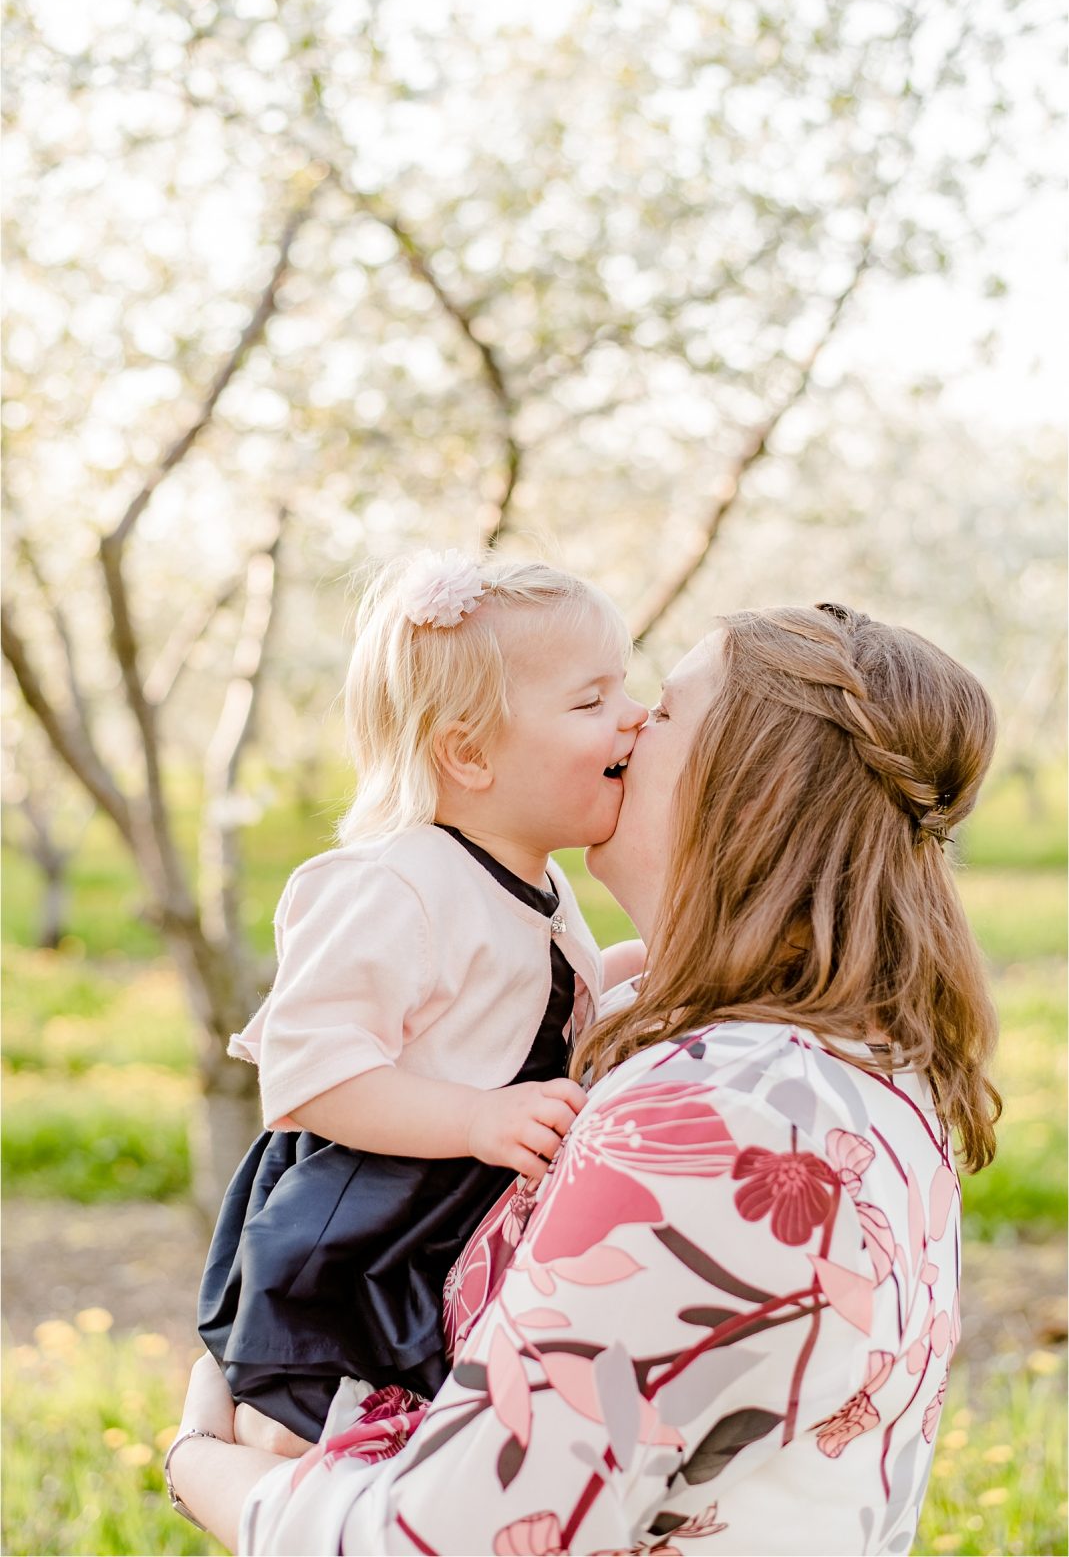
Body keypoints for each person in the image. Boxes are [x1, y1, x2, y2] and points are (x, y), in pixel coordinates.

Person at [171, 602, 1000, 1556]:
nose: (631, 723)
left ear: (748, 787)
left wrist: (201, 1461)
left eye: (665, 711)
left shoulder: (715, 1119)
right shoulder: (828, 1062)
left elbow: (439, 1544)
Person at [197, 549, 647, 1450]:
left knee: (416, 1433)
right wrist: (475, 1119)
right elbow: (310, 1072)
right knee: (306, 1429)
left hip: (450, 1210)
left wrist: (657, 970)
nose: (635, 718)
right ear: (469, 753)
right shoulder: (394, 882)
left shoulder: (536, 875)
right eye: (591, 702)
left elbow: (541, 1006)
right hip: (367, 1219)